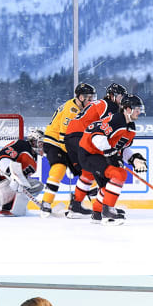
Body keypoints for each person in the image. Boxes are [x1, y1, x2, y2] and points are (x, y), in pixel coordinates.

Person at [75, 94, 146, 225]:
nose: (139, 112)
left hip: (100, 155)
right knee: (119, 174)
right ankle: (108, 213)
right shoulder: (116, 120)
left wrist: (133, 159)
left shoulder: (130, 127)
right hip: (88, 153)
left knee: (107, 186)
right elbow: (96, 137)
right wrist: (111, 154)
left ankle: (97, 213)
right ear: (127, 109)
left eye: (140, 109)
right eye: (136, 108)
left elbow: (122, 148)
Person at [39, 82, 96, 215]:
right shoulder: (71, 110)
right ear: (80, 97)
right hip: (54, 142)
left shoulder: (82, 108)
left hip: (68, 142)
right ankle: (46, 203)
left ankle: (98, 206)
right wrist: (76, 154)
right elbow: (64, 136)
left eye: (92, 97)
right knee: (59, 168)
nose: (91, 100)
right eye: (89, 97)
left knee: (87, 171)